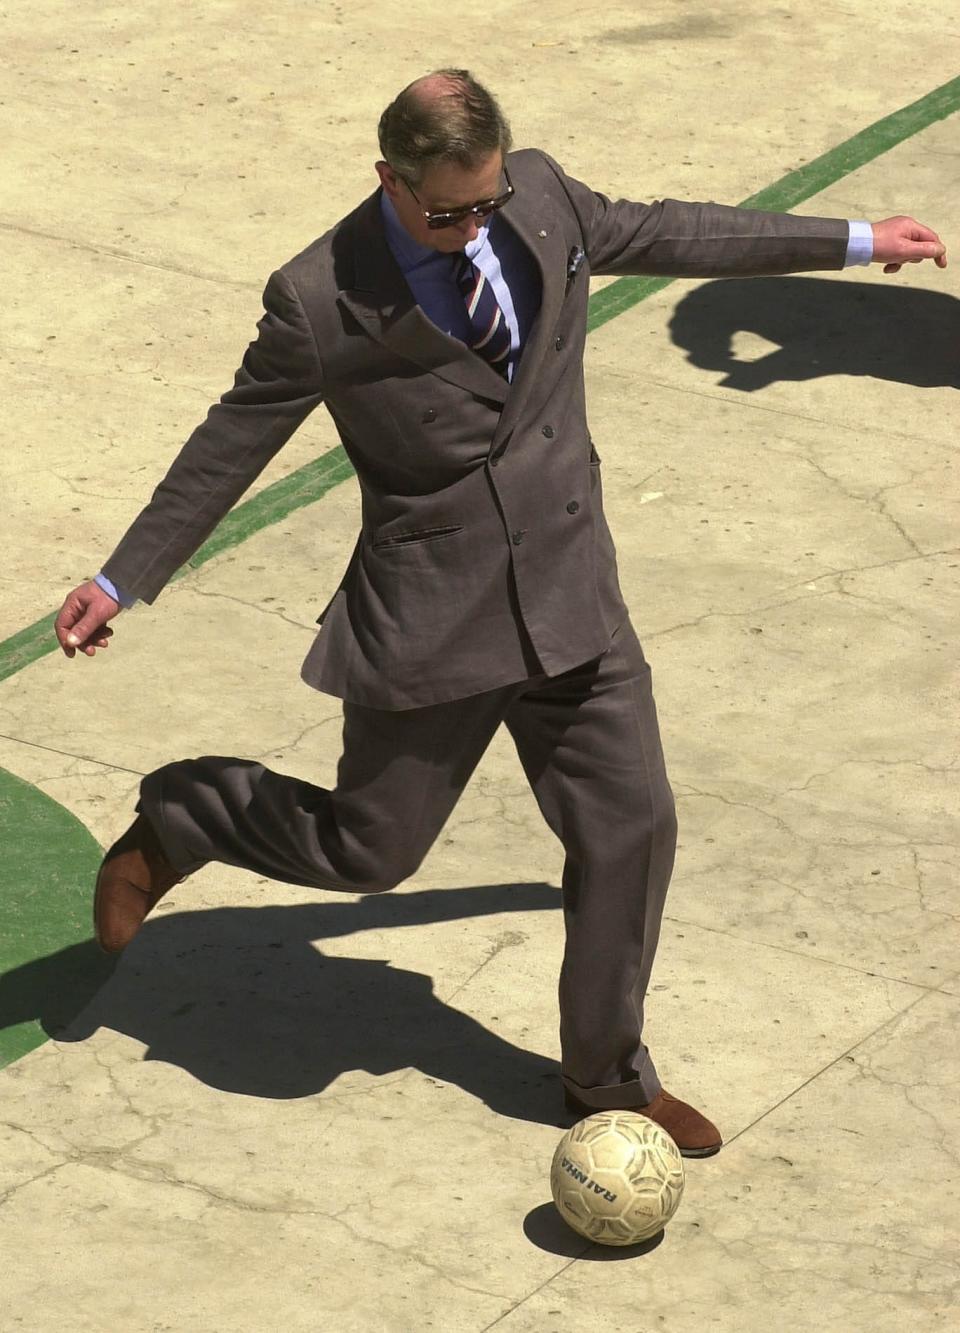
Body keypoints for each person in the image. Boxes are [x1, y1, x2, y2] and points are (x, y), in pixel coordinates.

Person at [54, 70, 947, 1157]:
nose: (474, 226)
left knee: (633, 828)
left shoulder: (541, 199)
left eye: (485, 200)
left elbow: (676, 232)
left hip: (573, 592)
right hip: (435, 617)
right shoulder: (318, 297)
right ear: (387, 179)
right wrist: (122, 577)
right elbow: (231, 440)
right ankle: (192, 815)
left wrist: (855, 240)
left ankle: (604, 1076)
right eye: (447, 213)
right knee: (367, 853)